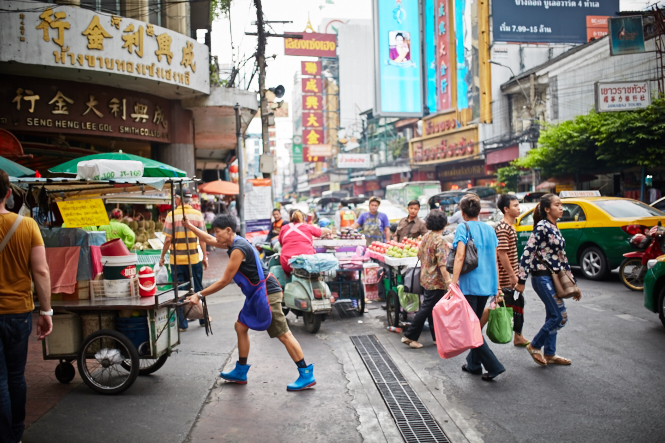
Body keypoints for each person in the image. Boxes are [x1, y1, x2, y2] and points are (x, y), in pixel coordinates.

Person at [181, 214, 316, 391]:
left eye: (217, 231)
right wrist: (189, 226)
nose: (216, 235)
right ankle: (240, 371)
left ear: (228, 230)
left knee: (283, 334)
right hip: (256, 293)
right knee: (241, 327)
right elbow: (208, 239)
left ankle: (306, 374)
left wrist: (199, 294)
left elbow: (224, 281)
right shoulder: (232, 242)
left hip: (267, 292)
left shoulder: (238, 249)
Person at [0, 169, 53, 443]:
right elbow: (41, 272)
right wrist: (46, 311)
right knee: (15, 377)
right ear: (9, 194)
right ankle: (15, 434)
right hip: (18, 312)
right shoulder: (27, 225)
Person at [515, 194, 581, 367]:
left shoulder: (554, 226)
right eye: (557, 205)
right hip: (541, 278)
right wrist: (521, 280)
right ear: (547, 209)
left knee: (553, 315)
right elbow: (527, 253)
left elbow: (562, 257)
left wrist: (573, 284)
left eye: (561, 205)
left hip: (553, 277)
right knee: (560, 316)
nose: (561, 208)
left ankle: (550, 353)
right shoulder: (542, 227)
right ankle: (535, 345)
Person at [451, 193, 505, 382]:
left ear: (462, 212)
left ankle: (494, 366)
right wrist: (497, 286)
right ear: (479, 211)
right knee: (474, 325)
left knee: (470, 328)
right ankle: (473, 364)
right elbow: (494, 260)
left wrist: (453, 281)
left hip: (470, 285)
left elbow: (459, 256)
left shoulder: (462, 227)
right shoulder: (490, 230)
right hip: (487, 284)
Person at [159, 191, 209, 331]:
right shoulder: (197, 214)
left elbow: (168, 239)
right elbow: (203, 238)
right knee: (198, 289)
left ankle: (183, 324)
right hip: (194, 259)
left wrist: (162, 256)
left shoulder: (172, 215)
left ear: (179, 200)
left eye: (175, 199)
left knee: (180, 291)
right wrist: (204, 257)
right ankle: (203, 320)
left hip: (177, 260)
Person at [401, 211, 451, 349]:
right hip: (436, 281)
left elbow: (419, 254)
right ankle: (409, 336)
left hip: (425, 277)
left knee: (431, 308)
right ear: (444, 223)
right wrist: (449, 282)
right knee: (427, 307)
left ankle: (436, 337)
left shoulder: (427, 237)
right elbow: (442, 264)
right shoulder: (440, 240)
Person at [494, 194, 529, 347]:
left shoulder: (510, 226)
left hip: (511, 275)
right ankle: (475, 333)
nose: (518, 208)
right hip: (505, 278)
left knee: (518, 303)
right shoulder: (503, 228)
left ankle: (519, 336)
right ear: (506, 209)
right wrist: (512, 275)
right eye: (515, 206)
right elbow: (501, 253)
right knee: (497, 307)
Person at [278, 210, 331, 275]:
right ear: (303, 219)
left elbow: (281, 243)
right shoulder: (307, 227)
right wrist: (329, 231)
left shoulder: (284, 228)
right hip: (307, 261)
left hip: (287, 262)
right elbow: (321, 232)